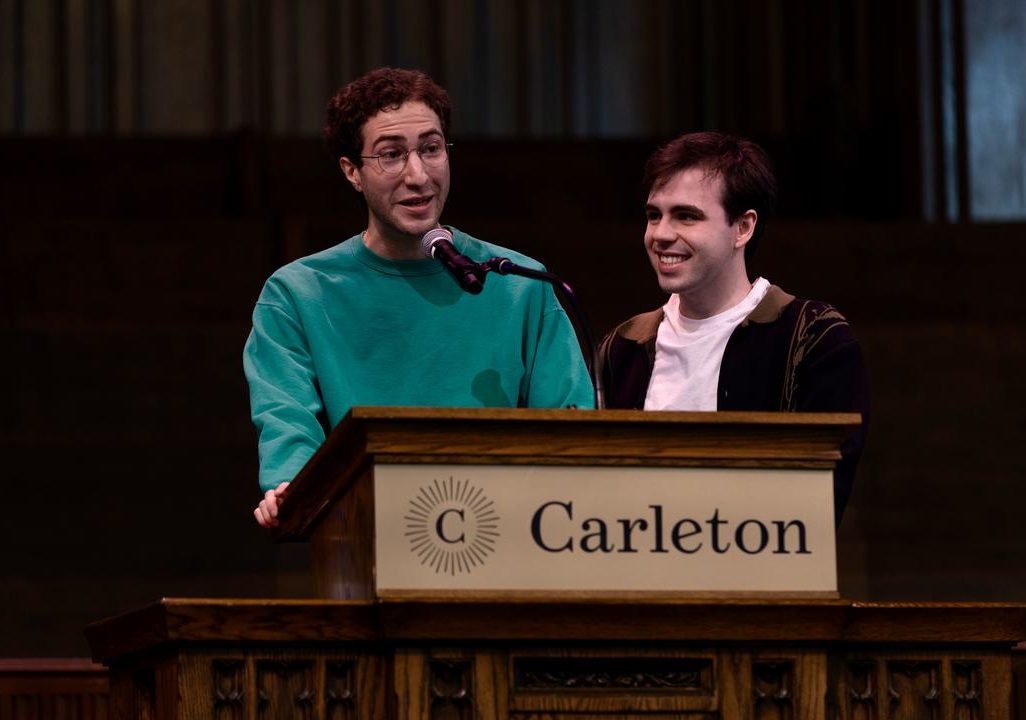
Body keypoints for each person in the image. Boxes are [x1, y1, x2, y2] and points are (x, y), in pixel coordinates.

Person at [245, 67, 593, 527]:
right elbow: (287, 424)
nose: (418, 175)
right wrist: (293, 487)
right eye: (391, 154)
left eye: (431, 149)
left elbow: (570, 427)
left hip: (510, 535)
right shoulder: (298, 294)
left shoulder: (520, 283)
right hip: (366, 536)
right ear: (352, 171)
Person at [597, 131, 868, 523]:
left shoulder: (814, 340)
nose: (660, 234)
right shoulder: (623, 347)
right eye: (654, 215)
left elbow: (818, 506)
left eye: (686, 216)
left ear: (743, 227)